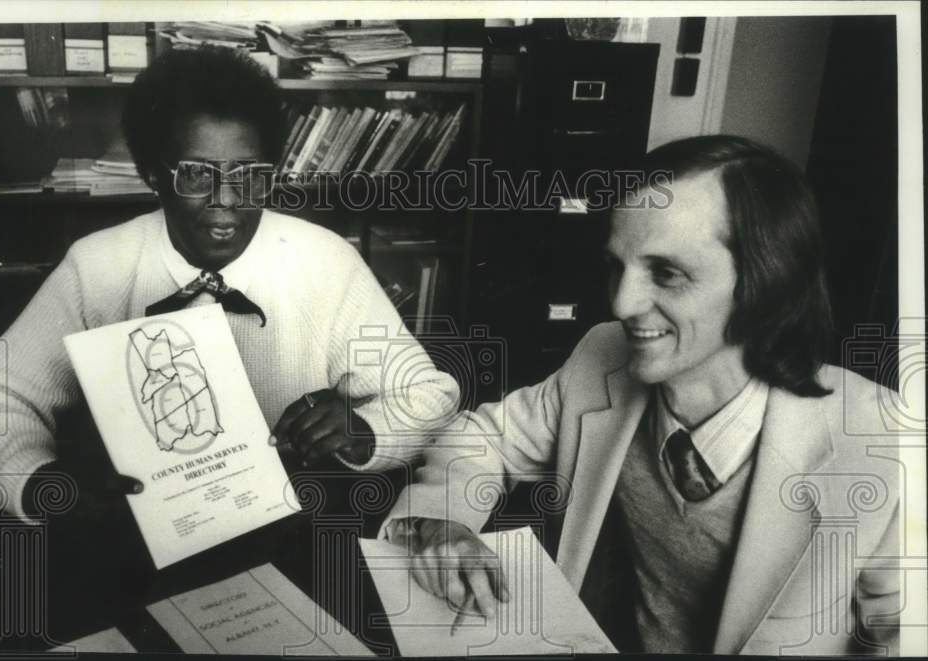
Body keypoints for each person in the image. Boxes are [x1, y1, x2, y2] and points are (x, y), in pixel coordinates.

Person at [381, 135, 900, 655]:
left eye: (666, 273)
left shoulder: (884, 439)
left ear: (768, 282)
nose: (622, 303)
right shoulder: (600, 357)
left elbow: (902, 633)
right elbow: (482, 437)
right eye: (616, 267)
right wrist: (444, 519)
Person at [0, 46, 459, 524]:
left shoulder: (326, 260)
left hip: (295, 518)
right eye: (197, 175)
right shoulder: (97, 265)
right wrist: (38, 483)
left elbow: (429, 394)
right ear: (154, 173)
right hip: (135, 527)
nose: (227, 199)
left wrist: (366, 431)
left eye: (249, 175)